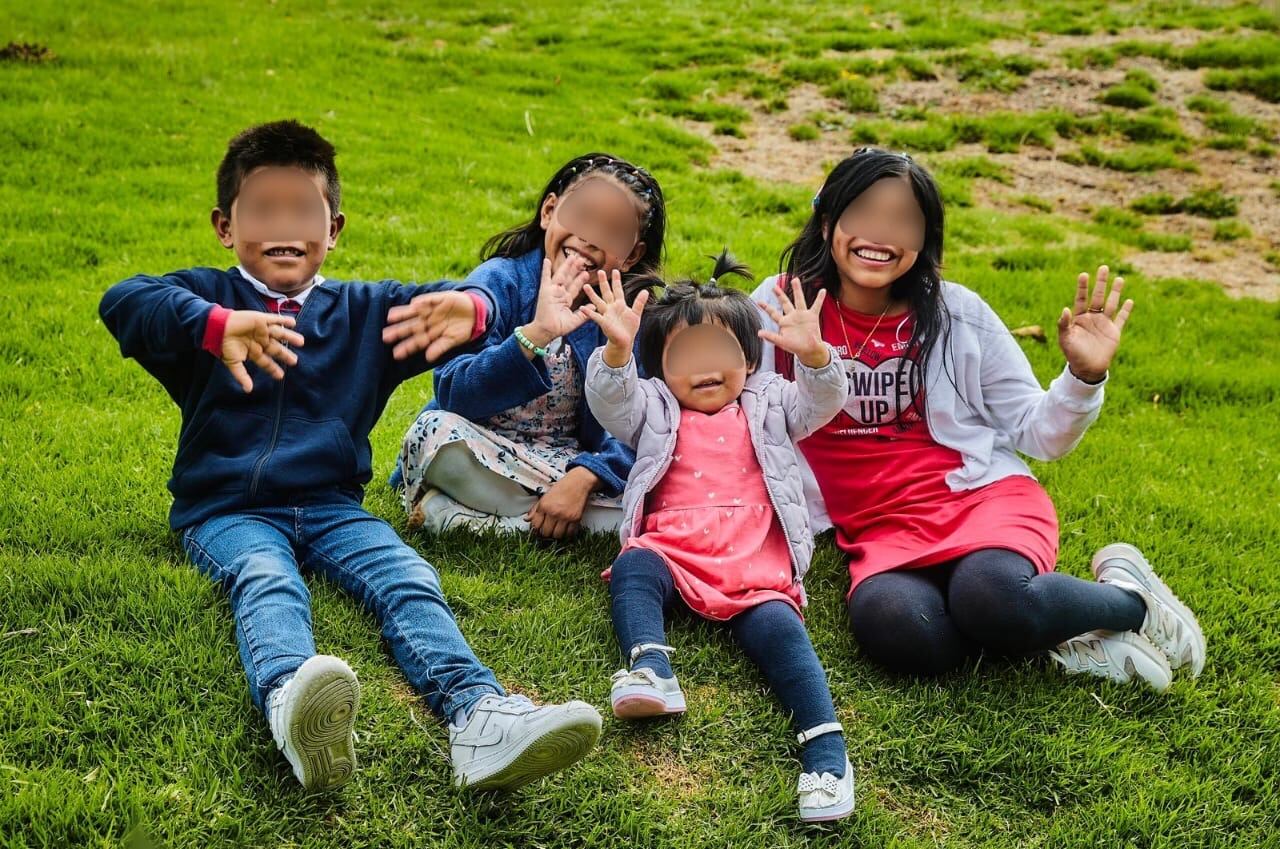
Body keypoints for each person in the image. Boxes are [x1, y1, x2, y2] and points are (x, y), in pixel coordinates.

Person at [99, 120, 601, 793]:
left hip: (334, 508)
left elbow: (452, 310)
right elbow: (124, 301)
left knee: (409, 578)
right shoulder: (204, 298)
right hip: (227, 509)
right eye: (263, 209)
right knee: (266, 578)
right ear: (225, 225)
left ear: (333, 228)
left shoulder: (368, 312)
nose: (284, 225)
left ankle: (480, 717)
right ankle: (290, 702)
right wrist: (215, 326)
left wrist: (508, 323)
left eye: (302, 210)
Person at [754, 147, 1205, 689]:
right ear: (828, 221)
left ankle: (1131, 602)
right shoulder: (782, 306)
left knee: (992, 597)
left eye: (903, 220)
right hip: (878, 526)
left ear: (925, 240)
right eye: (864, 213)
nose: (880, 234)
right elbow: (732, 400)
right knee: (898, 630)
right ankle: (1065, 639)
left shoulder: (957, 314)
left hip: (976, 498)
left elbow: (1039, 433)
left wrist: (1082, 377)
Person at [582, 253, 855, 823]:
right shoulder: (653, 407)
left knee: (785, 639)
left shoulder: (774, 402)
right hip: (673, 552)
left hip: (754, 564)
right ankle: (652, 667)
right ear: (658, 366)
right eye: (687, 354)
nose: (706, 366)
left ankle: (827, 756)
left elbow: (823, 400)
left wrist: (814, 356)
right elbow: (612, 402)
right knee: (634, 567)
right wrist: (615, 354)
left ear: (750, 358)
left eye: (721, 351)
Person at [393, 153, 665, 539]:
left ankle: (473, 519)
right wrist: (535, 334)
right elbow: (454, 391)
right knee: (435, 432)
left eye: (612, 231)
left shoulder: (626, 313)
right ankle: (555, 522)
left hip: (566, 462)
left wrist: (587, 477)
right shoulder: (499, 281)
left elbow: (647, 421)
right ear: (549, 211)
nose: (589, 237)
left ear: (633, 254)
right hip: (481, 448)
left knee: (656, 493)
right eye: (582, 215)